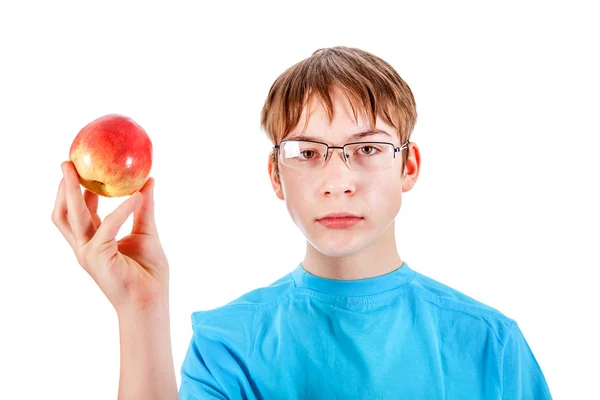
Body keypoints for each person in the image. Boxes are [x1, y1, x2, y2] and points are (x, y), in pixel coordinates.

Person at [52, 46, 552, 399]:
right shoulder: (228, 345)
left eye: (368, 148)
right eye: (306, 152)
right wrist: (141, 309)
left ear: (409, 166)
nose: (337, 180)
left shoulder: (491, 344)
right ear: (276, 174)